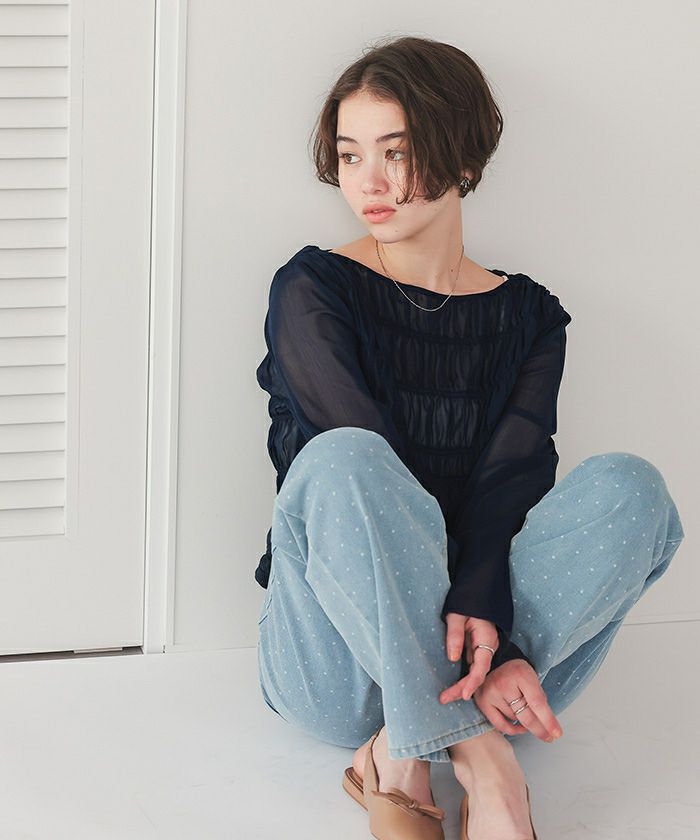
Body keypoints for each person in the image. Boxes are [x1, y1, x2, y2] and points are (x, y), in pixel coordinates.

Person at [254, 35, 685, 840]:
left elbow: (511, 487)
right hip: (337, 669)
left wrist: (499, 630)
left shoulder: (530, 317)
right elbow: (362, 491)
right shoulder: (313, 289)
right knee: (347, 460)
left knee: (633, 488)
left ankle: (401, 749)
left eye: (397, 152)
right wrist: (486, 737)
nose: (368, 181)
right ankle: (483, 762)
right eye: (349, 155)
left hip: (491, 651)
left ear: (462, 156)